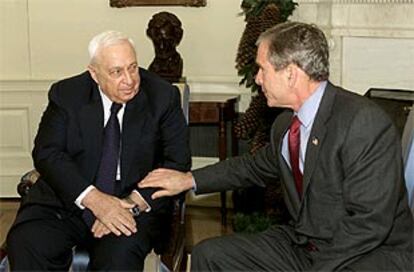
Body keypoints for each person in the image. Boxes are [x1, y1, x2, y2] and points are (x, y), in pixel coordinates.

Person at [139, 22, 414, 271]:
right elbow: (252, 167)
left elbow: (369, 222)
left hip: (368, 253)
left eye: (262, 69)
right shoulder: (285, 126)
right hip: (306, 244)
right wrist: (188, 180)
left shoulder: (361, 123)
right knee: (210, 254)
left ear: (291, 74)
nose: (257, 79)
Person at [6, 30, 191, 271]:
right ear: (94, 73)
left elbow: (177, 163)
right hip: (70, 198)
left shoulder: (162, 96)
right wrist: (95, 200)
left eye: (133, 67)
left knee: (119, 256)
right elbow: (47, 153)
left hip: (130, 202)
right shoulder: (67, 94)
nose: (129, 80)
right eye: (116, 72)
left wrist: (129, 205)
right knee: (27, 242)